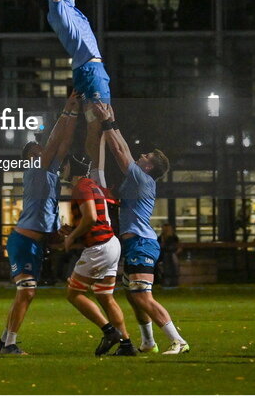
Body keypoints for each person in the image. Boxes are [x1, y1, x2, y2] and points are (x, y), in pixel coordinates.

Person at [92, 102, 188, 355]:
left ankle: (178, 341)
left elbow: (120, 151)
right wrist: (111, 120)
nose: (141, 156)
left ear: (148, 167)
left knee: (143, 296)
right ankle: (148, 342)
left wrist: (108, 123)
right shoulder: (137, 180)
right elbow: (122, 150)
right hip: (134, 243)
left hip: (142, 243)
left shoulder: (141, 177)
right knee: (135, 297)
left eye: (145, 157)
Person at [0, 91, 79, 355]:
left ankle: (4, 340)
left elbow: (63, 143)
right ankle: (10, 343)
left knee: (25, 293)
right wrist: (66, 110)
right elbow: (55, 142)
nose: (42, 150)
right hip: (23, 241)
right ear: (30, 157)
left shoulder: (49, 173)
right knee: (27, 292)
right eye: (36, 149)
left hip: (33, 242)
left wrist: (74, 113)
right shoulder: (34, 171)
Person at [38, 0, 111, 176]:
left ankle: (87, 169)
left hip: (85, 69)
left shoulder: (69, 7)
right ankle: (96, 175)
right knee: (99, 123)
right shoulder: (57, 11)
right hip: (91, 69)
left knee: (90, 122)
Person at [61, 151, 136, 357]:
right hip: (112, 243)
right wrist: (74, 229)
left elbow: (91, 218)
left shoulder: (81, 186)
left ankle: (109, 331)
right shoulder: (93, 186)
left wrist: (72, 236)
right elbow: (97, 217)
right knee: (105, 297)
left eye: (66, 165)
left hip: (99, 246)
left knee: (74, 294)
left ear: (74, 168)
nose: (63, 169)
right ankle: (126, 344)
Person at [158, 223, 181, 288]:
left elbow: (177, 246)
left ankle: (171, 282)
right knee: (167, 268)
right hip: (166, 255)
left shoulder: (173, 237)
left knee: (172, 268)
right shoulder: (161, 237)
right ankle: (169, 282)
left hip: (171, 254)